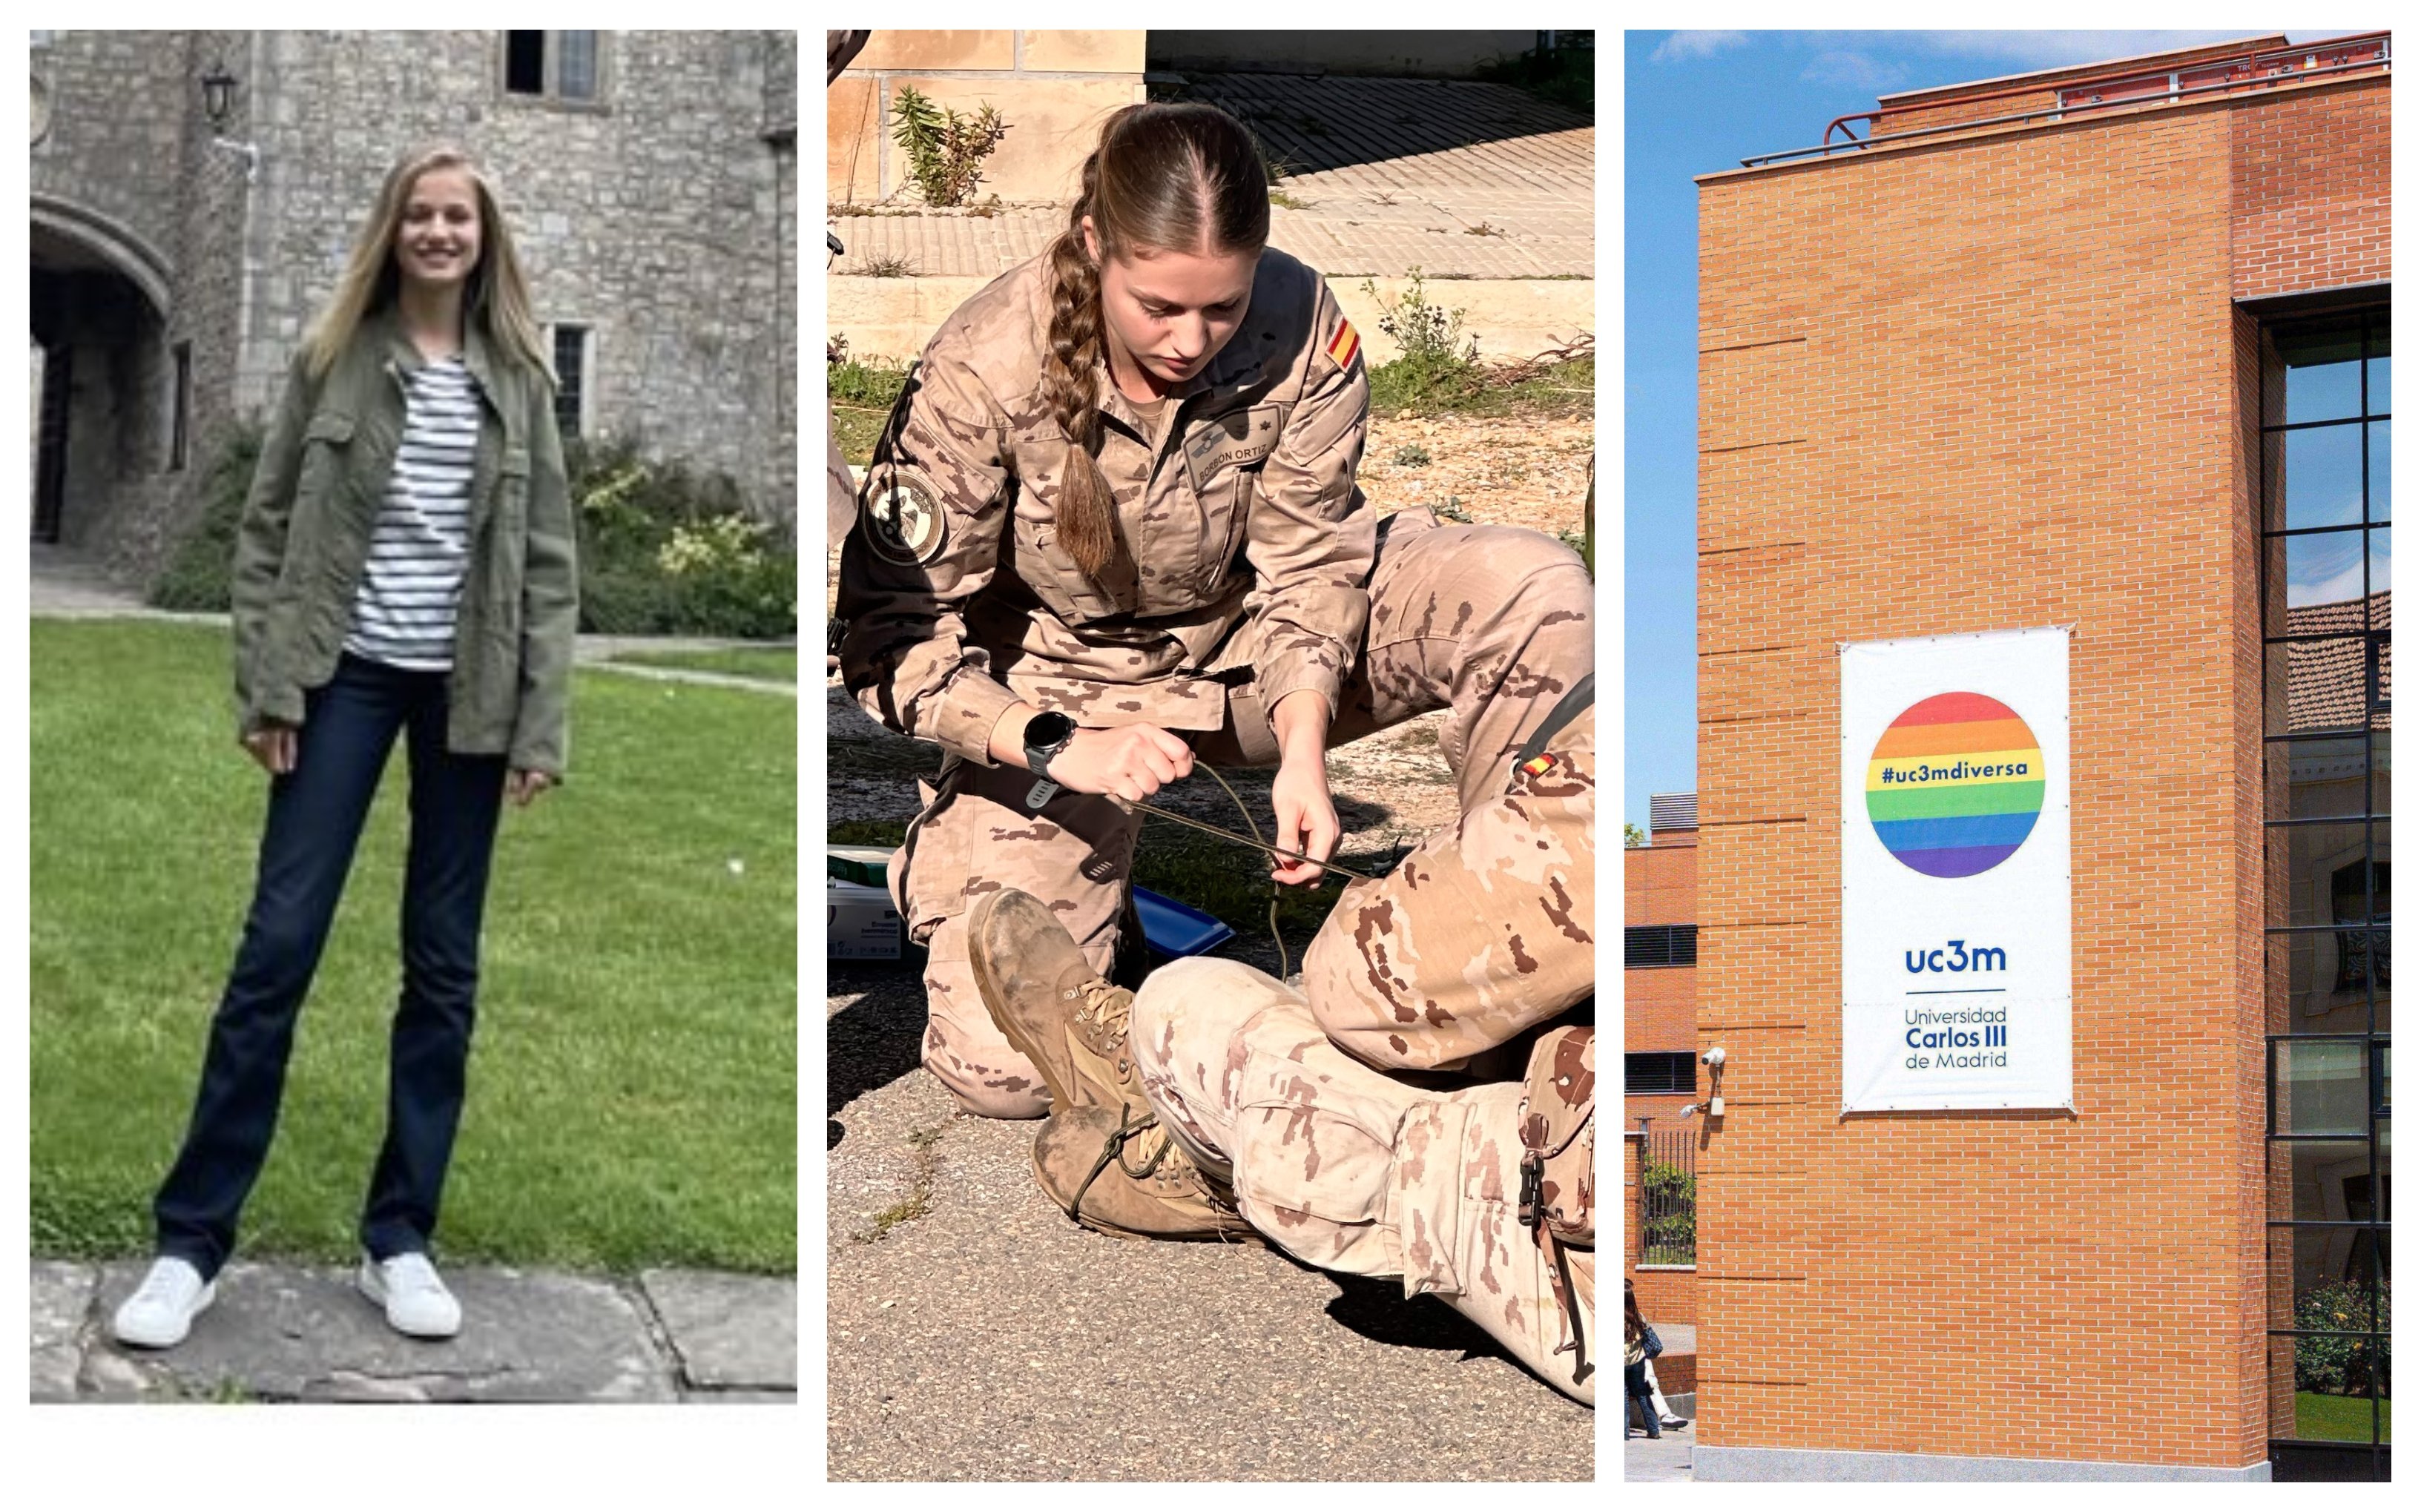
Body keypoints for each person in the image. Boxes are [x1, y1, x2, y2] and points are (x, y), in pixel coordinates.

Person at [838, 99, 1592, 1120]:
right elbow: (890, 641)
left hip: (1250, 653)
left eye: (1222, 309)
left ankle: (1503, 959)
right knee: (1002, 1071)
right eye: (1157, 306)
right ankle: (971, 869)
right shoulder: (980, 368)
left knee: (1527, 584)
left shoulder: (1303, 324)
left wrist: (1303, 748)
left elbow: (1312, 566)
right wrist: (1056, 744)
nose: (1192, 341)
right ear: (1096, 244)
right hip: (1063, 694)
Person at [111, 145, 576, 1349]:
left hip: (468, 697)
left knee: (442, 967)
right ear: (393, 230)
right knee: (277, 948)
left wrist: (540, 722)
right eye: (418, 214)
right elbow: (265, 532)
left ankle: (399, 1238)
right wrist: (269, 684)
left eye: (455, 217)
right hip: (341, 682)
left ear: (482, 239)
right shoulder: (333, 362)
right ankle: (189, 1242)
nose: (436, 232)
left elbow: (547, 567)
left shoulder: (519, 377)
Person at [966, 683, 1596, 1404]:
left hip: (1553, 1219)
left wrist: (1432, 885)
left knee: (1183, 1006)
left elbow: (1359, 983)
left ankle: (1181, 1147)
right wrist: (1301, 750)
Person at [1624, 1280, 1661, 1439]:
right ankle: (1653, 1430)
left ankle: (1623, 1432)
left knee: (1622, 1397)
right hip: (1637, 1362)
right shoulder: (1639, 1317)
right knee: (1643, 1395)